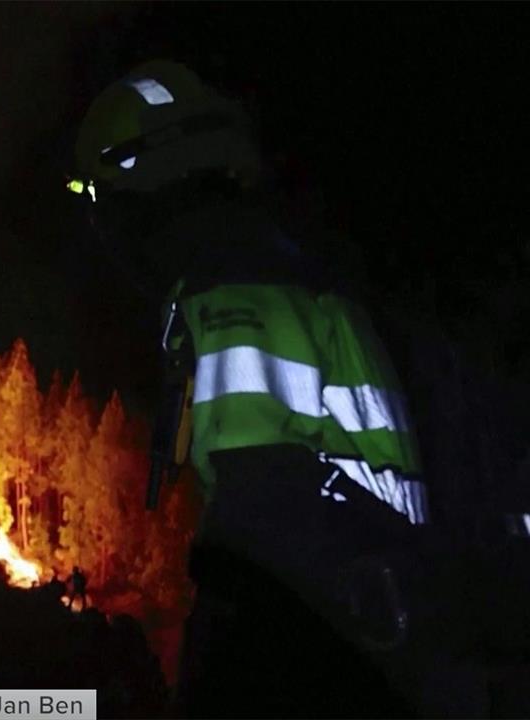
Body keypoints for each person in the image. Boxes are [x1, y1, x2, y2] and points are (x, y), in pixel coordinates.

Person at [67, 60, 448, 715]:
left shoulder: (233, 288)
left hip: (334, 658)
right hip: (381, 637)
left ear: (143, 182)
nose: (101, 227)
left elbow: (261, 526)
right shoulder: (281, 268)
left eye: (100, 197)